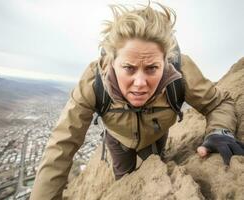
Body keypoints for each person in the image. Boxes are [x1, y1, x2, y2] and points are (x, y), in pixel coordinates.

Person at [30, 2, 244, 200]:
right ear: (112, 63)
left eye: (152, 68)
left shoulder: (180, 72)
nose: (140, 83)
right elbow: (61, 145)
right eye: (129, 68)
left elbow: (217, 103)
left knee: (157, 159)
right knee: (125, 180)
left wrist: (219, 131)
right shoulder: (93, 82)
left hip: (158, 131)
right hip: (118, 139)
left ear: (165, 62)